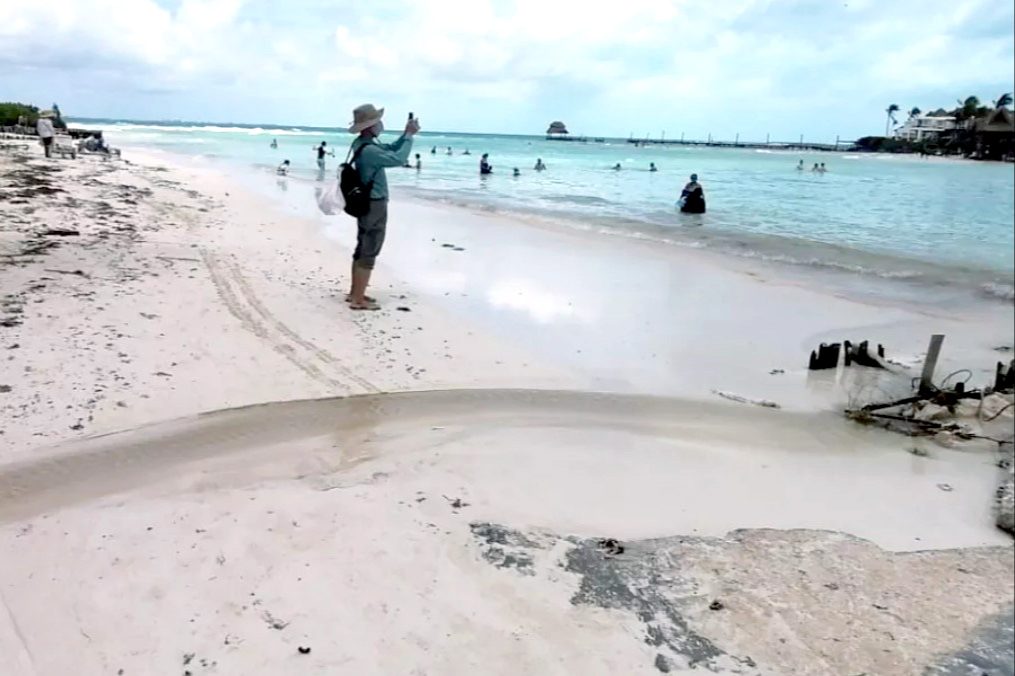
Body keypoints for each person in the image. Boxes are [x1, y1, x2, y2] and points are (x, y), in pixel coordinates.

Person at [345, 103, 419, 311]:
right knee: (369, 248)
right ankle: (358, 299)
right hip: (374, 202)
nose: (381, 125)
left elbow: (390, 149)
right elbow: (398, 158)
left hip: (367, 202)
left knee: (362, 247)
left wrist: (405, 135)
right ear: (370, 126)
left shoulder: (363, 144)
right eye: (377, 122)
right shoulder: (369, 149)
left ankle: (355, 293)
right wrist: (410, 137)